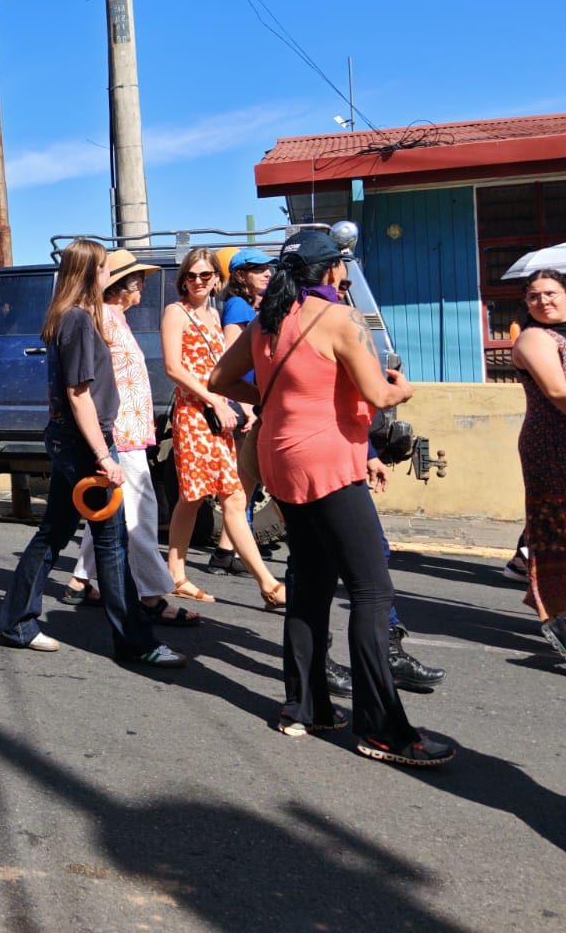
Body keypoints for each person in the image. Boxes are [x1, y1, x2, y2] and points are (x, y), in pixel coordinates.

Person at [211, 229, 454, 765]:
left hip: (281, 458)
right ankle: (382, 729)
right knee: (371, 590)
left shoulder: (266, 321)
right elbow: (378, 394)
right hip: (326, 461)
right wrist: (404, 388)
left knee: (311, 581)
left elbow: (220, 377)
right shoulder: (340, 320)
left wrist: (279, 399)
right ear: (333, 271)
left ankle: (305, 706)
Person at [0, 239, 185, 668]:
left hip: (71, 441)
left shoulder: (69, 317)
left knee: (56, 533)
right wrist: (104, 455)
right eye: (103, 268)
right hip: (84, 444)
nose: (108, 275)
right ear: (88, 274)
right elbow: (79, 395)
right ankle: (135, 641)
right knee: (111, 543)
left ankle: (16, 621)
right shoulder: (78, 320)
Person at [64, 251, 200, 627]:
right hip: (119, 432)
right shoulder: (103, 320)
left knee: (111, 507)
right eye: (135, 278)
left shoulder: (117, 319)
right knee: (139, 510)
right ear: (119, 286)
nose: (142, 284)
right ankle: (152, 594)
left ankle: (79, 581)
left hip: (131, 431)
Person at [160, 247, 285, 610]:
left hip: (219, 416)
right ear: (183, 279)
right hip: (195, 413)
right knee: (193, 497)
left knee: (231, 496)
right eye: (191, 276)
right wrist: (214, 400)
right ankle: (178, 573)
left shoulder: (215, 315)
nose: (197, 281)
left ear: (216, 278)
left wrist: (239, 403)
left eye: (205, 275)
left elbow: (225, 367)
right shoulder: (175, 312)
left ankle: (266, 584)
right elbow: (173, 368)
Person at [509, 268, 566, 671]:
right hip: (553, 446)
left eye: (550, 293)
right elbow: (557, 391)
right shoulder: (534, 338)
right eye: (533, 296)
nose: (542, 301)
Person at [212, 246, 276, 572]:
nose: (267, 273)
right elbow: (229, 355)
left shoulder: (250, 306)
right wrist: (247, 407)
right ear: (240, 275)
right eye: (258, 269)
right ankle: (231, 550)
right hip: (245, 403)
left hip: (252, 400)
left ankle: (226, 550)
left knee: (246, 480)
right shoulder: (237, 305)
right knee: (246, 479)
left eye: (269, 268)